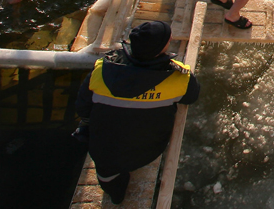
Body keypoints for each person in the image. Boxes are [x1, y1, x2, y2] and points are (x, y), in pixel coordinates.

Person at [75, 21, 199, 204]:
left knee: (107, 173)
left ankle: (115, 194)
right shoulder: (176, 78)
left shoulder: (102, 69)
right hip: (149, 150)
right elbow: (192, 96)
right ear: (162, 47)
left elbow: (83, 107)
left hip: (104, 154)